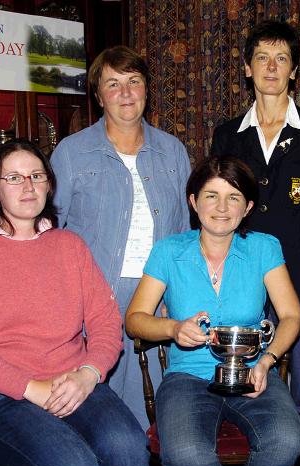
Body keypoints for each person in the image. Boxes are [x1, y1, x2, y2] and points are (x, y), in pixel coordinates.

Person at [0, 140, 149, 466]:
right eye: (14, 178)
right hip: (0, 396)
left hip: (74, 382)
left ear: (49, 185)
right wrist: (30, 387)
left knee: (129, 448)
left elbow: (106, 323)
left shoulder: (70, 246)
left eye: (37, 175)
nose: (28, 185)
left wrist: (88, 373)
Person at [125, 156, 300, 466]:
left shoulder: (264, 248)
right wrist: (173, 328)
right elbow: (135, 319)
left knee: (285, 442)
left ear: (247, 206)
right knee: (187, 456)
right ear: (194, 202)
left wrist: (267, 362)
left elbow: (291, 316)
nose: (222, 207)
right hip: (187, 378)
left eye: (233, 197)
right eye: (211, 196)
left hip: (254, 373)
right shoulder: (168, 252)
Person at [211, 19, 300, 419]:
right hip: (243, 280)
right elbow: (215, 214)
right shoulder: (227, 136)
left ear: (293, 70)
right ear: (247, 68)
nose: (271, 68)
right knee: (247, 393)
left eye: (281, 59)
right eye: (261, 58)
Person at [51, 46, 191, 428]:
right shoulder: (71, 153)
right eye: (113, 84)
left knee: (153, 412)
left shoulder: (173, 152)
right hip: (93, 301)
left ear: (147, 90)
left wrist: (176, 294)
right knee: (98, 413)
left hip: (155, 298)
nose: (126, 93)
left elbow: (183, 234)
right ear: (98, 95)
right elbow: (50, 236)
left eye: (134, 82)